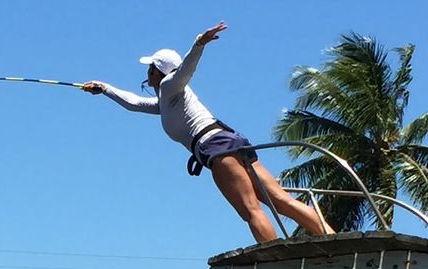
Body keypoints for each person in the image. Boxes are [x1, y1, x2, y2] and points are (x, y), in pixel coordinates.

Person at [82, 22, 335, 243]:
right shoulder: (167, 102)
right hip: (229, 140)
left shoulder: (171, 86)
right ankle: (331, 237)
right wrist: (104, 88)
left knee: (250, 209)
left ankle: (277, 259)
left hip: (215, 146)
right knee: (281, 200)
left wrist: (198, 44)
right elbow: (134, 103)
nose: (147, 74)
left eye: (150, 69)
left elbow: (185, 71)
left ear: (158, 71)